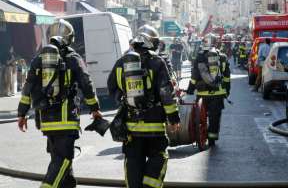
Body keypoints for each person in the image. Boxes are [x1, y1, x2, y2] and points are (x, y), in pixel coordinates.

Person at [17, 19, 102, 188]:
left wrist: (22, 114)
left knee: (60, 163)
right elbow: (86, 83)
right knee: (63, 160)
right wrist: (95, 108)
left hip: (46, 121)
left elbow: (28, 88)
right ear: (69, 38)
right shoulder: (73, 58)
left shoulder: (38, 59)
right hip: (66, 120)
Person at [107, 25, 180, 188]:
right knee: (159, 157)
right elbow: (166, 93)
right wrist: (173, 118)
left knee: (133, 162)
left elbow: (112, 88)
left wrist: (125, 101)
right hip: (155, 126)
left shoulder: (121, 62)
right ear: (152, 44)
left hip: (132, 128)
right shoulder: (157, 62)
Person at [187, 34, 231, 147]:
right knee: (214, 117)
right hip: (218, 93)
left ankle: (200, 133)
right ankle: (212, 139)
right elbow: (226, 77)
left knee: (201, 116)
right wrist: (226, 91)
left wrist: (190, 89)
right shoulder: (222, 57)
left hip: (202, 93)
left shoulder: (199, 56)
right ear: (216, 43)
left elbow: (194, 76)